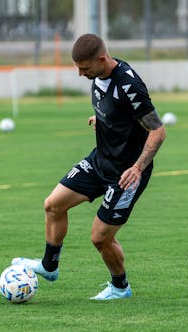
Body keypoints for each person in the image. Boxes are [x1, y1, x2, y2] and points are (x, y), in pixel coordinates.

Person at [13, 33, 166, 300]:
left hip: (126, 173)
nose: (80, 74)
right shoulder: (97, 76)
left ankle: (120, 287)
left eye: (84, 68)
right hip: (100, 160)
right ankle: (49, 267)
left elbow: (158, 131)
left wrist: (138, 168)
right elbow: (115, 109)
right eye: (77, 67)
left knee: (100, 237)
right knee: (53, 204)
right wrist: (102, 119)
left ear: (102, 59)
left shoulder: (130, 85)